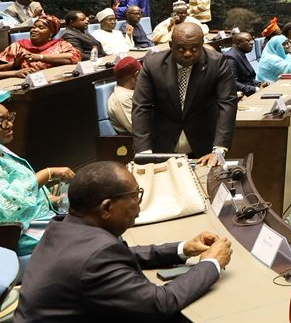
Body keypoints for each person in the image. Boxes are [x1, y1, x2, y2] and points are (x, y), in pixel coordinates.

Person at [15, 160, 231, 321]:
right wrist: (211, 263)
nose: (139, 205)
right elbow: (160, 303)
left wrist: (183, 248)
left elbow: (119, 255)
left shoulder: (63, 227)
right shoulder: (98, 255)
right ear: (107, 207)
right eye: (135, 196)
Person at [132, 22, 237, 166]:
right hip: (162, 146)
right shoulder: (152, 64)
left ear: (202, 44)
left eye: (194, 49)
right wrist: (144, 151)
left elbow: (227, 103)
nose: (188, 53)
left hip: (204, 147)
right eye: (181, 49)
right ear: (170, 45)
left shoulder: (217, 63)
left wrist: (219, 149)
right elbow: (141, 107)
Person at [0, 99, 73, 258]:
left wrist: (53, 200)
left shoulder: (2, 148)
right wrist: (48, 173)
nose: (9, 124)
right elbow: (10, 205)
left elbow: (23, 181)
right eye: (1, 121)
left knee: (92, 215)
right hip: (23, 234)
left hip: (41, 216)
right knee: (85, 231)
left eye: (9, 118)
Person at [0, 15, 80, 73]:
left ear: (51, 32)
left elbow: (74, 57)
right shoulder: (18, 46)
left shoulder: (61, 44)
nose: (34, 30)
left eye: (41, 28)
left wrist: (40, 57)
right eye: (34, 27)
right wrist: (14, 64)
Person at [107, 56, 141, 134]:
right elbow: (138, 130)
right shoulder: (121, 99)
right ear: (136, 75)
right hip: (134, 144)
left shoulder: (134, 91)